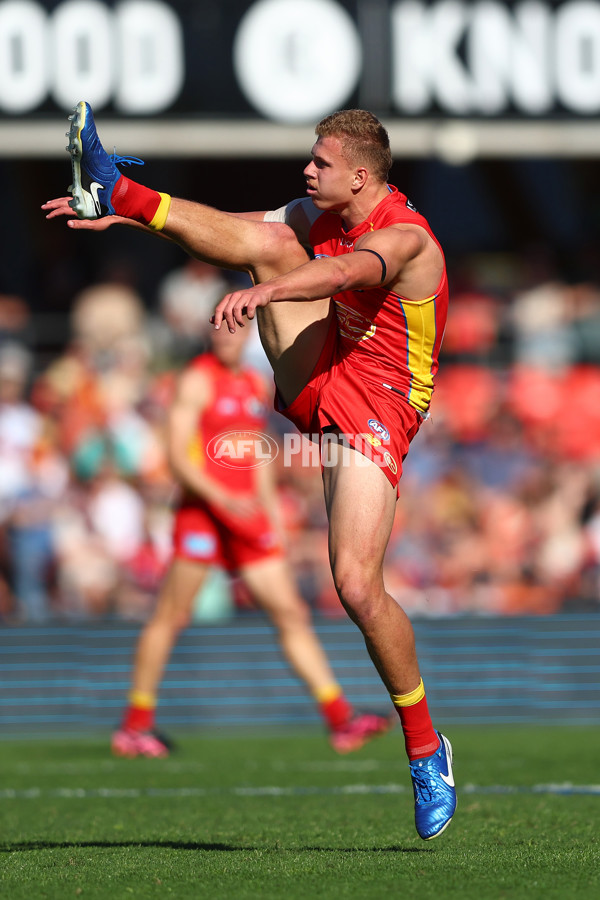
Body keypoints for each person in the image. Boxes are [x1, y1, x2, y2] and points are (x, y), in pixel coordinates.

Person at [43, 101, 456, 840]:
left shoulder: (405, 236)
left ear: (361, 176)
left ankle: (425, 748)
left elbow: (350, 270)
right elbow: (235, 229)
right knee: (267, 240)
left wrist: (272, 290)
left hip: (383, 402)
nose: (308, 168)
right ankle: (117, 187)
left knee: (357, 585)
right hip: (324, 365)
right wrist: (134, 216)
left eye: (321, 162)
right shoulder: (316, 210)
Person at [111, 321, 393, 757]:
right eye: (221, 331)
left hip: (246, 517)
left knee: (290, 614)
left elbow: (257, 451)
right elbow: (177, 458)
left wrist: (269, 510)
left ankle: (341, 720)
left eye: (236, 330)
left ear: (248, 337)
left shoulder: (249, 382)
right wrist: (223, 497)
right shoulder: (196, 379)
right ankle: (135, 725)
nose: (228, 337)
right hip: (204, 513)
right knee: (171, 616)